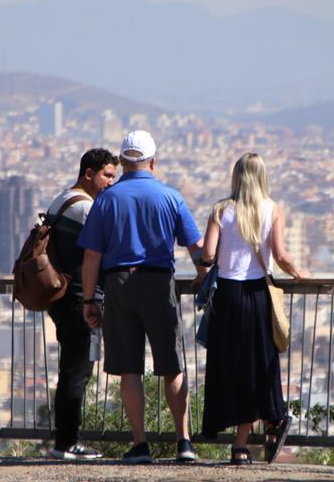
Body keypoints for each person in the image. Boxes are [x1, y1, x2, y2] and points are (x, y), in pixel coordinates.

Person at [78, 130, 205, 464]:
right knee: (172, 366)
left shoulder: (107, 199)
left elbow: (91, 256)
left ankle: (140, 444)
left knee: (129, 370)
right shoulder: (170, 197)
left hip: (118, 283)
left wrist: (89, 300)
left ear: (121, 162)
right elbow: (197, 250)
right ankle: (184, 442)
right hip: (159, 283)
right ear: (153, 160)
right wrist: (207, 276)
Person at [198, 153, 307, 465]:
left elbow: (207, 253)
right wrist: (299, 273)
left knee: (227, 365)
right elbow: (281, 254)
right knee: (258, 364)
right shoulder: (272, 209)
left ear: (236, 176)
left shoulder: (221, 209)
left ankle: (256, 430)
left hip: (227, 298)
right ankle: (245, 441)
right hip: (258, 295)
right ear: (263, 177)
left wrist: (207, 267)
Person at [45, 148, 119, 460]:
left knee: (70, 370)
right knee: (78, 372)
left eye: (114, 177)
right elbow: (101, 250)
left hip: (61, 297)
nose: (110, 183)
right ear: (89, 173)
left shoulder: (61, 199)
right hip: (80, 299)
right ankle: (68, 441)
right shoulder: (87, 207)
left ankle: (65, 439)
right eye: (107, 175)